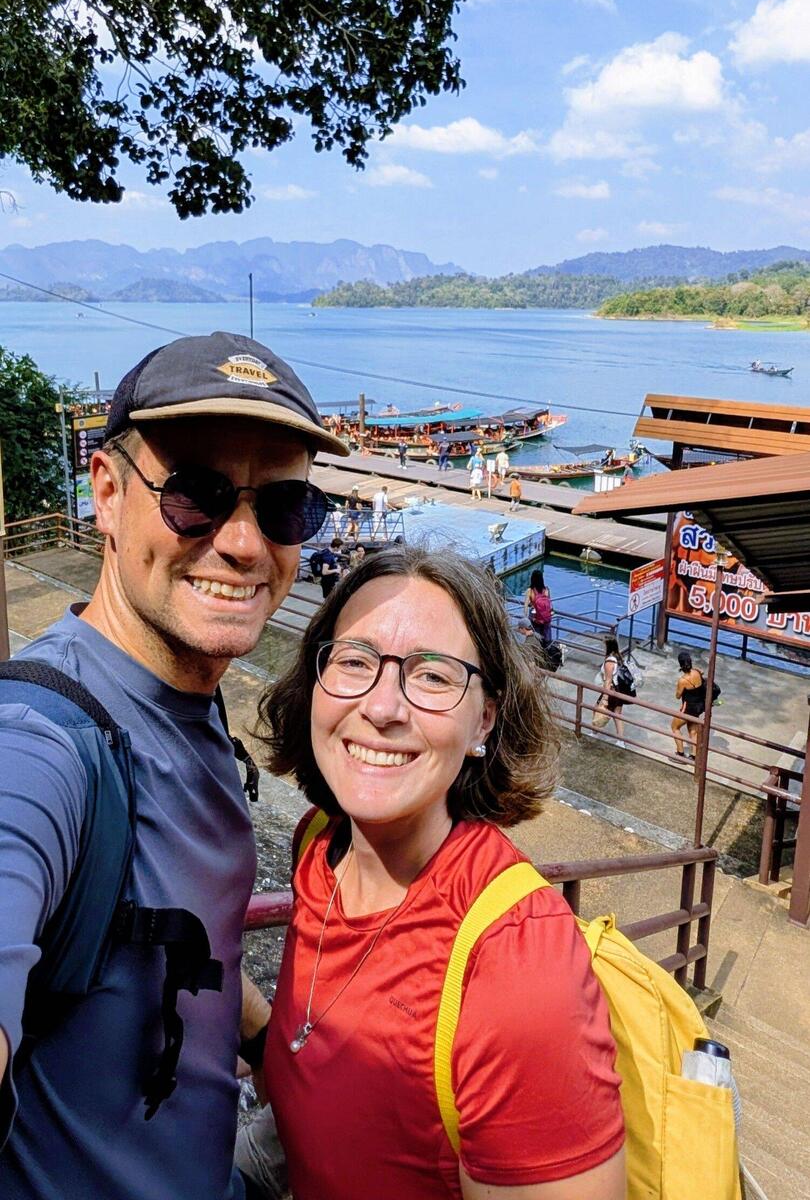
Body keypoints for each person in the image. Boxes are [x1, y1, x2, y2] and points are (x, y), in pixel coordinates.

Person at [0, 331, 347, 1200]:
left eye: (284, 507)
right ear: (106, 495)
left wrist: (270, 1049)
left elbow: (187, 938)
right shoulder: (39, 742)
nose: (244, 543)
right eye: (195, 493)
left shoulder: (189, 696)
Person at [241, 547, 625, 1200]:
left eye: (433, 676)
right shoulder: (320, 842)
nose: (382, 706)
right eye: (354, 661)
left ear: (484, 720)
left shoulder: (516, 967)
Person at [593, 634, 626, 745]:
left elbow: (608, 680)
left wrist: (605, 698)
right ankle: (621, 741)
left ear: (608, 646)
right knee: (617, 714)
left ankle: (594, 732)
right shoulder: (618, 657)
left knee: (597, 708)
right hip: (618, 690)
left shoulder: (609, 661)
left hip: (611, 691)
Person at [672, 649, 704, 762]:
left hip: (688, 708)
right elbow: (702, 672)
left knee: (675, 727)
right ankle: (694, 756)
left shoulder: (682, 680)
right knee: (693, 731)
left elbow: (678, 696)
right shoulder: (697, 672)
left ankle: (680, 754)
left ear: (680, 665)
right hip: (698, 707)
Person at [523, 568, 553, 646]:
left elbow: (525, 606)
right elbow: (549, 604)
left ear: (532, 579)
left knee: (535, 636)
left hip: (534, 617)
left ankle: (536, 649)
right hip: (545, 617)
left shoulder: (530, 590)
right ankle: (546, 648)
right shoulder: (546, 589)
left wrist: (525, 619)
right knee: (546, 638)